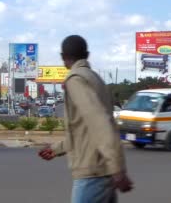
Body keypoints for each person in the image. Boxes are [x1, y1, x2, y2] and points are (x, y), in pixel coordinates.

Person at [39, 35, 133, 203]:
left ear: (62, 57)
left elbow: (99, 122)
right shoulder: (96, 79)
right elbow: (83, 131)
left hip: (92, 173)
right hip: (104, 173)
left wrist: (118, 169)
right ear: (87, 55)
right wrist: (56, 149)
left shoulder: (75, 80)